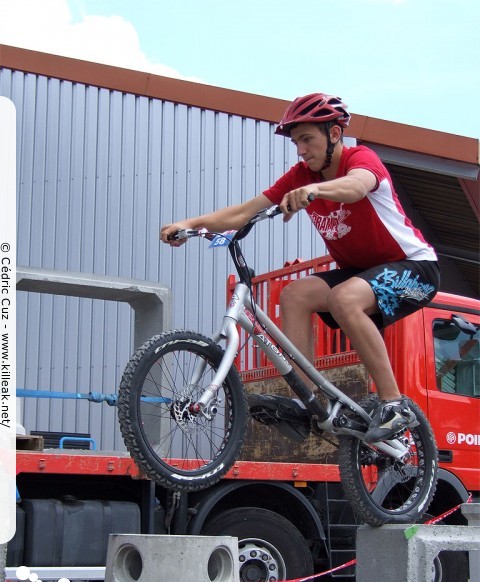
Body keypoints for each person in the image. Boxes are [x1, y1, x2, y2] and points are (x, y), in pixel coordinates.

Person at [161, 93, 440, 443]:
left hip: (415, 267)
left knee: (344, 298)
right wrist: (188, 224)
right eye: (296, 142)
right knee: (293, 295)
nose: (300, 150)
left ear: (335, 134)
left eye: (307, 139)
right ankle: (306, 401)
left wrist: (315, 190)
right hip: (362, 273)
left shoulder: (360, 159)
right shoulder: (299, 176)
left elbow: (356, 188)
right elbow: (241, 213)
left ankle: (394, 403)